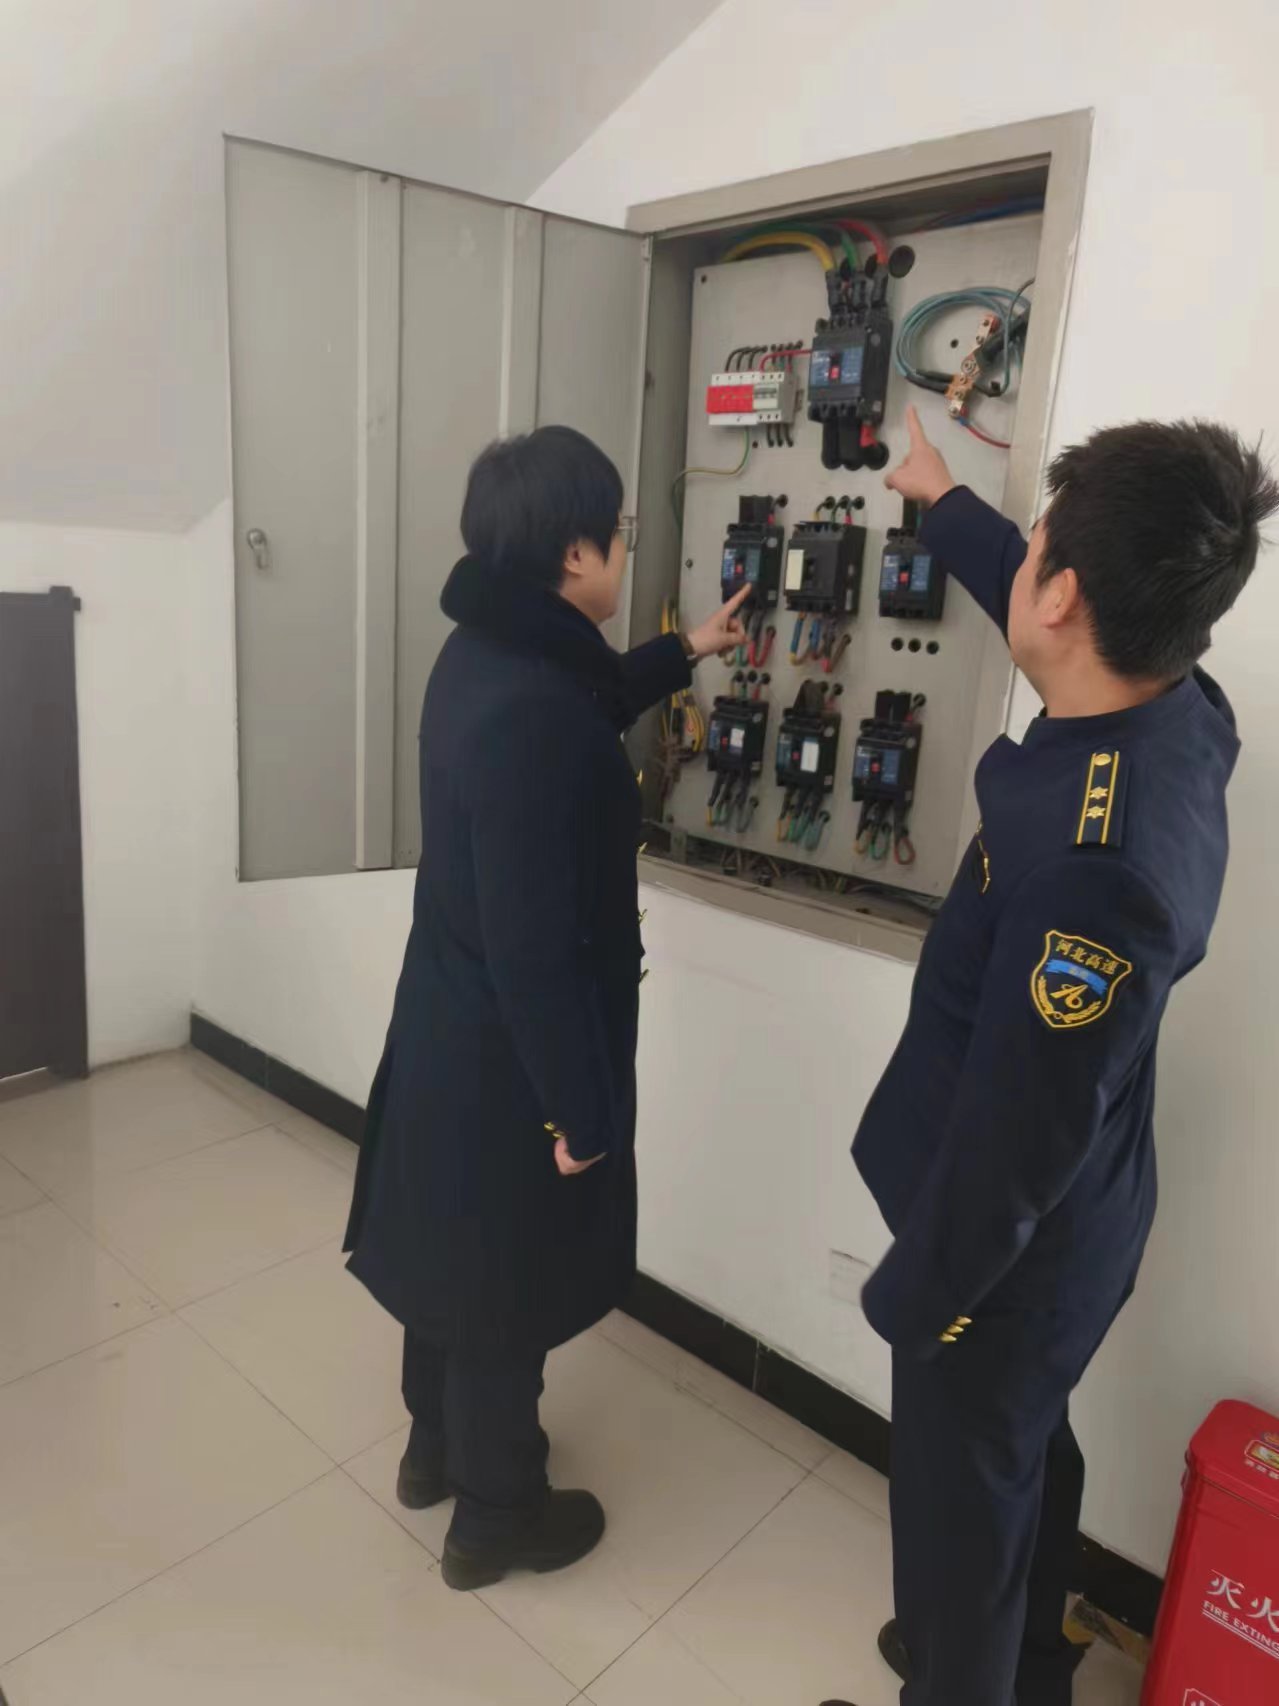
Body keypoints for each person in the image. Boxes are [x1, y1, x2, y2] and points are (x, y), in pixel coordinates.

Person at [822, 408, 1276, 1706]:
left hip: (999, 1256)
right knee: (1022, 1458)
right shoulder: (1176, 704)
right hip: (1078, 1224)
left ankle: (967, 1676)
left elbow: (1013, 1142)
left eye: (1032, 547)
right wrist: (942, 501)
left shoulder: (1094, 866)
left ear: (1065, 592)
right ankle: (1029, 1672)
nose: (1020, 565)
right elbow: (1046, 611)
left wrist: (915, 1296)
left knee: (954, 1531)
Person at [344, 424, 747, 1592]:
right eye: (615, 532)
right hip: (508, 1049)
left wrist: (684, 649)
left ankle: (433, 1448)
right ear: (575, 553)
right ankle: (497, 1514)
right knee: (502, 1283)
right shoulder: (534, 710)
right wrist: (579, 1107)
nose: (622, 547)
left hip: (448, 1015)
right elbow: (532, 948)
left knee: (448, 1248)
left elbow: (584, 698)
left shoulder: (483, 654)